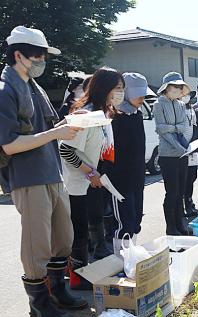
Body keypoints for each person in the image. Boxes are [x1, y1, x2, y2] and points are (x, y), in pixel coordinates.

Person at [0, 26, 87, 317]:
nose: (42, 61)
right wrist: (57, 132)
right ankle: (39, 305)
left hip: (52, 171)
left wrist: (74, 121)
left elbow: (49, 127)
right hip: (28, 176)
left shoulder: (34, 88)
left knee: (63, 236)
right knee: (37, 244)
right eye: (37, 55)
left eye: (44, 56)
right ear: (18, 55)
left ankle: (58, 291)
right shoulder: (5, 90)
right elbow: (9, 144)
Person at [59, 67, 125, 288]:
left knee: (90, 224)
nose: (120, 93)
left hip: (92, 181)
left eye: (122, 89)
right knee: (79, 231)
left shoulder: (103, 115)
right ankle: (77, 278)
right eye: (117, 88)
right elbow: (65, 149)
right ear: (104, 89)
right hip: (77, 183)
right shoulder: (85, 115)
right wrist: (89, 170)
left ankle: (80, 273)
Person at [107, 73, 154, 253]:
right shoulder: (113, 116)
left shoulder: (137, 113)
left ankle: (132, 252)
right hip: (119, 177)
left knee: (135, 218)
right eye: (138, 94)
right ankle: (120, 256)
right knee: (123, 220)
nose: (142, 98)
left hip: (137, 174)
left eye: (144, 94)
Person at [153, 71, 193, 235]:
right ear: (166, 88)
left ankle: (180, 223)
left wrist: (173, 128)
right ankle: (171, 226)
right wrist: (177, 143)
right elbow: (161, 129)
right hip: (167, 155)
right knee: (172, 192)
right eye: (174, 86)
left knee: (181, 190)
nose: (178, 89)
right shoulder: (158, 104)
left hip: (182, 154)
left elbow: (183, 127)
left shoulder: (181, 104)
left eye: (180, 86)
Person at [180, 90, 198, 216]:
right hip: (180, 148)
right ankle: (182, 206)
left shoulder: (191, 109)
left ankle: (189, 202)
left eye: (187, 95)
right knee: (183, 179)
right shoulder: (177, 109)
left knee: (192, 177)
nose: (186, 97)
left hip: (192, 148)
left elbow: (195, 127)